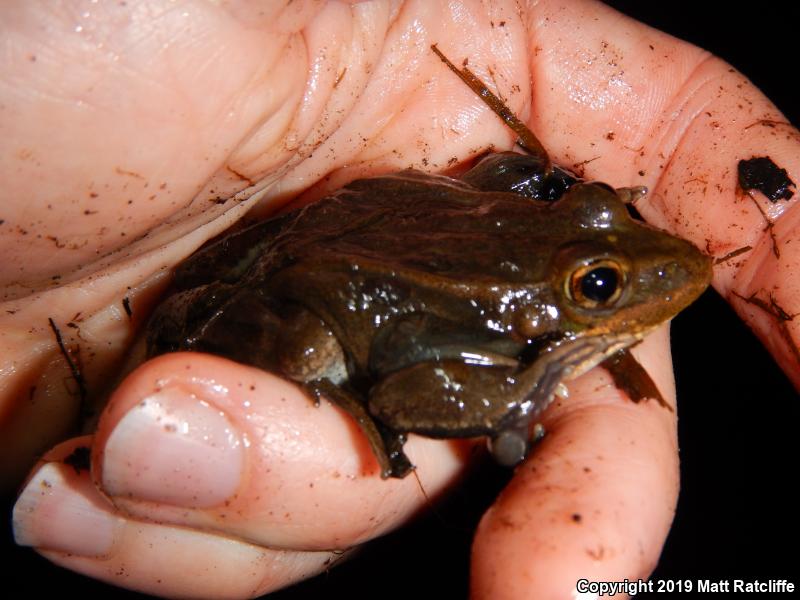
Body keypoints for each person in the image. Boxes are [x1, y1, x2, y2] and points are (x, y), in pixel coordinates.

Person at [4, 1, 797, 598]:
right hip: (310, 292)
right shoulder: (508, 335)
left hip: (324, 226)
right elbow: (404, 387)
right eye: (598, 286)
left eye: (599, 245)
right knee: (314, 359)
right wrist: (519, 393)